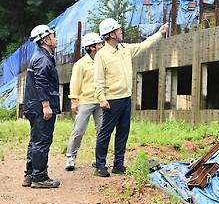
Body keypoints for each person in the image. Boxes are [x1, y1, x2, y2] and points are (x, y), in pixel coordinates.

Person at [94, 18, 169, 177]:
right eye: (118, 29)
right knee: (105, 133)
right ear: (111, 34)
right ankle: (100, 165)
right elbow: (99, 79)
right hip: (111, 100)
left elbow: (143, 46)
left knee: (123, 132)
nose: (121, 31)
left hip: (126, 99)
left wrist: (159, 33)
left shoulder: (125, 48)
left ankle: (118, 165)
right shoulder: (102, 55)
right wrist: (101, 98)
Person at [23, 24, 60, 188]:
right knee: (42, 141)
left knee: (35, 140)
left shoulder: (41, 56)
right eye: (53, 35)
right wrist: (46, 106)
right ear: (46, 39)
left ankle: (30, 174)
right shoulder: (42, 59)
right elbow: (41, 83)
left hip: (33, 105)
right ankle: (40, 177)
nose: (55, 38)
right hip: (40, 107)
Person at [64, 32, 104, 171]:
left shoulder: (102, 60)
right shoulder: (81, 64)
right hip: (85, 101)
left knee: (102, 131)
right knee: (79, 130)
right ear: (92, 47)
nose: (101, 45)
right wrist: (74, 101)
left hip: (100, 101)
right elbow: (75, 83)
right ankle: (70, 158)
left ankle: (99, 159)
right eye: (99, 44)